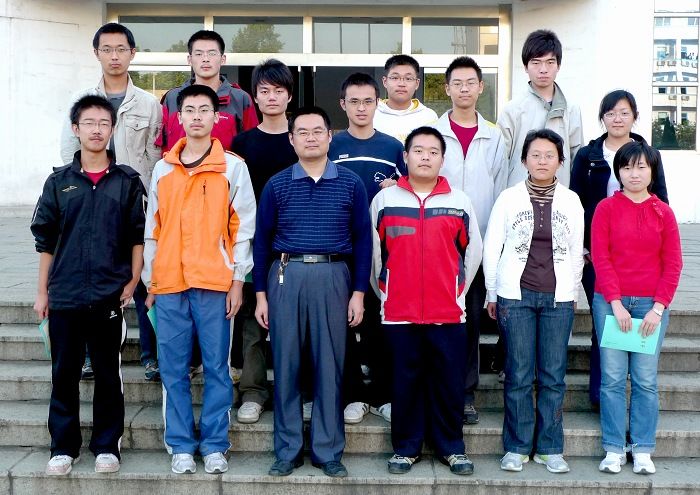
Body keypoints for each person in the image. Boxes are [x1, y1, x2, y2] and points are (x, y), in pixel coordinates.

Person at [142, 84, 256, 475]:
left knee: (217, 367)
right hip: (170, 283)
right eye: (188, 110)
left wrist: (237, 280)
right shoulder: (163, 169)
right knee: (173, 368)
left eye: (203, 110)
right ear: (179, 117)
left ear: (215, 117)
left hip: (215, 283)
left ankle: (214, 445)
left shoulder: (233, 167)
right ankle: (180, 445)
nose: (196, 117)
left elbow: (243, 228)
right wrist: (152, 281)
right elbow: (153, 228)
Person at [253, 106, 372, 478]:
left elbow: (363, 240)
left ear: (329, 136)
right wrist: (260, 295)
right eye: (302, 132)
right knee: (286, 363)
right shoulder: (277, 184)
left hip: (333, 275)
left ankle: (327, 450)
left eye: (317, 131)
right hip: (286, 275)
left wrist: (358, 292)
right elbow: (261, 242)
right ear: (291, 139)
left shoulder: (351, 183)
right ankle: (287, 450)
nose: (310, 138)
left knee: (330, 365)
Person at [32, 94, 146, 476]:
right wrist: (42, 292)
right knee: (63, 373)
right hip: (65, 294)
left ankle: (107, 445)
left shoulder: (127, 181)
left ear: (112, 129)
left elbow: (137, 236)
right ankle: (63, 447)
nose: (97, 130)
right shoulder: (58, 182)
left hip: (108, 294)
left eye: (104, 123)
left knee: (108, 374)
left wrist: (133, 278)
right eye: (89, 123)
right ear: (76, 129)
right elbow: (46, 241)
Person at [371, 126, 482, 476]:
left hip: (447, 311)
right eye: (418, 151)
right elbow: (375, 255)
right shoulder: (385, 201)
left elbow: (472, 253)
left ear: (442, 159)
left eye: (433, 152)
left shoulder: (459, 201)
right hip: (399, 312)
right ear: (405, 157)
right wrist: (386, 291)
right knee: (404, 383)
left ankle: (452, 448)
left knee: (448, 383)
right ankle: (406, 448)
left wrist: (456, 290)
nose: (425, 157)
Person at [60, 22, 162, 382]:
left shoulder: (149, 104)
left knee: (145, 278)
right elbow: (68, 153)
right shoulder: (81, 99)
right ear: (97, 53)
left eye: (121, 49)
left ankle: (151, 355)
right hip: (92, 201)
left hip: (134, 201)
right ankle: (90, 356)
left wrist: (148, 200)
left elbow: (153, 157)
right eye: (107, 49)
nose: (114, 56)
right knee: (93, 276)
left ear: (132, 53)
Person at [483, 129, 584, 474]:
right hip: (516, 296)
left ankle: (550, 448)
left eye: (549, 155)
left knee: (553, 375)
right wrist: (492, 292)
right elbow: (492, 246)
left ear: (560, 161)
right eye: (535, 155)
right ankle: (516, 447)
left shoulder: (571, 201)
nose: (542, 161)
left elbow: (576, 251)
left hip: (558, 298)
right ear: (524, 160)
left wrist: (572, 293)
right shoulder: (508, 199)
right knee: (519, 374)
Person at [570, 90, 669, 409]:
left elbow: (661, 199)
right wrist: (582, 246)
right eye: (610, 113)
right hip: (596, 252)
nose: (617, 119)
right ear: (602, 118)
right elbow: (575, 201)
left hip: (639, 257)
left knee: (632, 325)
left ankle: (630, 390)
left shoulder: (648, 154)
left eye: (624, 113)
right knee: (604, 321)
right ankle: (602, 394)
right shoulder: (588, 156)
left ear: (635, 117)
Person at [591, 141, 682, 475]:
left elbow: (673, 263)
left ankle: (642, 448)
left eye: (641, 167)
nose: (634, 173)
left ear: (652, 171)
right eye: (627, 167)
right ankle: (614, 448)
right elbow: (601, 257)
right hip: (610, 304)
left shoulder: (663, 212)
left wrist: (658, 308)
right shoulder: (606, 209)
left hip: (650, 306)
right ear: (619, 172)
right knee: (613, 378)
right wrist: (615, 303)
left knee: (644, 379)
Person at [329, 72, 406, 425]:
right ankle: (353, 395)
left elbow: (409, 188)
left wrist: (397, 185)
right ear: (343, 104)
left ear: (378, 103)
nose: (361, 108)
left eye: (368, 101)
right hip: (339, 245)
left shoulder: (392, 147)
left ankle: (380, 395)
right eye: (354, 101)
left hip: (382, 249)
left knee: (378, 318)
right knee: (342, 321)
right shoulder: (331, 144)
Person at [435, 56, 507, 425]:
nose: (464, 89)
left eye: (470, 83)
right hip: (436, 245)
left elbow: (500, 190)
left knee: (470, 323)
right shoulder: (432, 133)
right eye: (457, 83)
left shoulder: (494, 136)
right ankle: (437, 390)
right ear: (446, 88)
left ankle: (465, 394)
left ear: (481, 87)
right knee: (436, 322)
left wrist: (494, 243)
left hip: (477, 245)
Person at [232, 59, 298, 425]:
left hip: (296, 244)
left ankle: (294, 390)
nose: (271, 97)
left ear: (289, 95)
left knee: (294, 323)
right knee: (252, 323)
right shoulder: (242, 143)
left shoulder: (300, 139)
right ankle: (253, 392)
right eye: (264, 91)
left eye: (278, 90)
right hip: (252, 243)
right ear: (254, 97)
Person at [497, 29, 583, 187]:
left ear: (558, 66)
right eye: (536, 63)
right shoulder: (512, 109)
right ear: (525, 66)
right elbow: (500, 161)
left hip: (559, 192)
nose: (543, 69)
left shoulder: (571, 109)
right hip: (520, 192)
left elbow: (576, 157)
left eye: (550, 62)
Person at [157, 30, 258, 152]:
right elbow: (163, 146)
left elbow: (253, 144)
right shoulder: (172, 98)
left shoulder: (241, 99)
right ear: (189, 59)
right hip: (179, 165)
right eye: (199, 54)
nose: (205, 59)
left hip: (226, 164)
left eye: (212, 53)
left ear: (223, 59)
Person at [373, 54, 438, 145]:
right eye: (395, 78)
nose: (401, 84)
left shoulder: (429, 117)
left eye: (408, 78)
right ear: (385, 81)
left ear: (417, 83)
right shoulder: (372, 115)